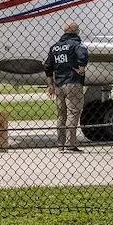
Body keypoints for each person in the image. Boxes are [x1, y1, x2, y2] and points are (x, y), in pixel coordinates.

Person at [43, 20, 89, 152]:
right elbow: (83, 56)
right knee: (73, 113)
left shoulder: (55, 47)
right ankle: (70, 144)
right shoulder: (77, 44)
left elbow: (47, 66)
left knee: (61, 114)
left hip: (58, 84)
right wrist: (81, 68)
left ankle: (60, 144)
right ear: (76, 31)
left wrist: (50, 84)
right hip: (73, 82)